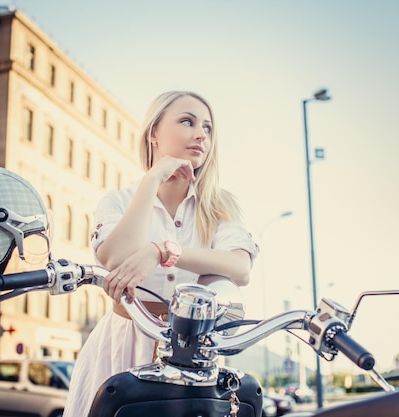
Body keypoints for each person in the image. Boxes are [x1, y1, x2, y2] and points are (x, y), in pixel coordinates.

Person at [63, 90, 258, 417]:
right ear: (153, 133)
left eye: (208, 128)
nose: (201, 134)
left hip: (195, 353)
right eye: (187, 121)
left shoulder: (220, 207)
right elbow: (115, 258)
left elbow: (240, 267)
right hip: (122, 344)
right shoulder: (118, 201)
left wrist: (163, 251)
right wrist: (152, 180)